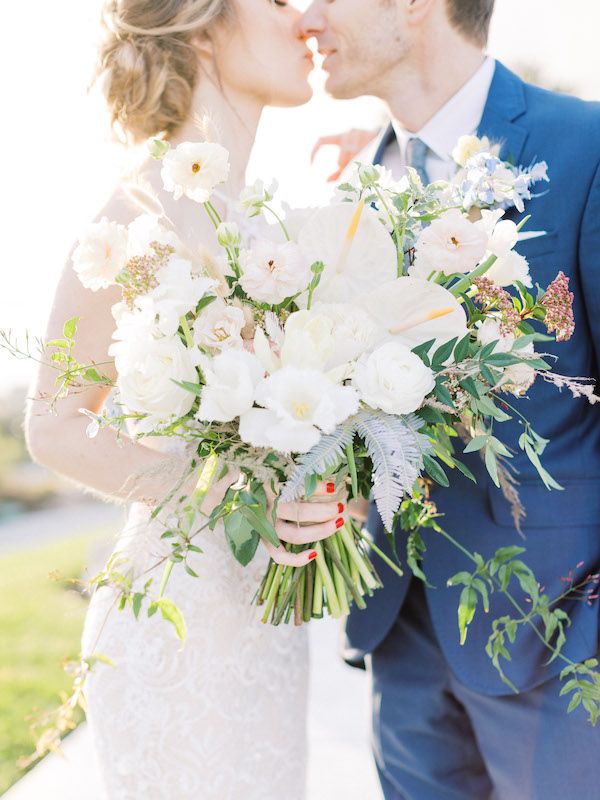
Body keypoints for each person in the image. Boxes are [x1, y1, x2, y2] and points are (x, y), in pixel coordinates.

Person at [25, 2, 346, 798]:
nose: (303, 18)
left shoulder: (267, 226)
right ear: (203, 28)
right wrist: (229, 496)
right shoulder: (133, 218)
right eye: (275, 1)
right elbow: (53, 426)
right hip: (175, 625)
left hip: (265, 627)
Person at [299, 1, 600, 798]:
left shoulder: (586, 146)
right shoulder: (354, 185)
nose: (306, 14)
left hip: (561, 639)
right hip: (397, 636)